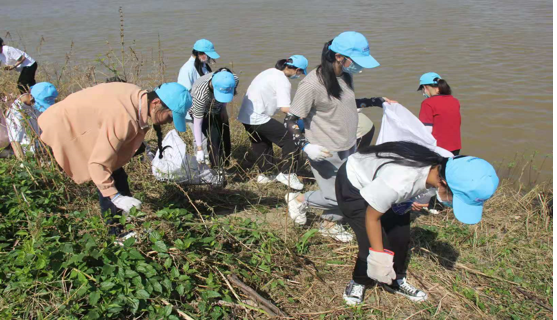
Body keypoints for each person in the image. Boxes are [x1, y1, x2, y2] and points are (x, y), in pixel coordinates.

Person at [336, 141, 498, 304]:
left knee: (400, 237)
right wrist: (378, 258)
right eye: (456, 199)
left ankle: (394, 281)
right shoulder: (400, 182)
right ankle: (359, 281)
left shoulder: (446, 165)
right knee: (373, 244)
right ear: (444, 183)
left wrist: (414, 200)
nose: (452, 204)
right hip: (353, 183)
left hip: (385, 183)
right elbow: (372, 217)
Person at [38, 82, 192, 237]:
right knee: (109, 179)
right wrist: (116, 197)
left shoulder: (137, 96)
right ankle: (116, 235)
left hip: (76, 119)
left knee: (118, 176)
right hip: (62, 126)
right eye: (170, 116)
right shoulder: (124, 119)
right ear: (156, 103)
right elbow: (98, 164)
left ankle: (126, 224)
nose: (169, 122)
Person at [283, 31, 395, 242]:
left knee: (350, 188)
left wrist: (376, 101)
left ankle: (329, 224)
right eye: (356, 60)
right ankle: (299, 199)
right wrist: (306, 146)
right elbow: (290, 119)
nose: (359, 66)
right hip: (324, 149)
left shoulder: (345, 75)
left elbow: (343, 104)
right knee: (339, 196)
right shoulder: (311, 84)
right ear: (339, 56)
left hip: (348, 145)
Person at [237, 55, 309, 190]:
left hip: (246, 116)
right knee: (291, 140)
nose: (299, 75)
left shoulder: (269, 72)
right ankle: (288, 174)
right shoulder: (283, 81)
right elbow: (285, 108)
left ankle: (266, 174)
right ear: (297, 69)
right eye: (300, 72)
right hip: (258, 117)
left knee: (261, 144)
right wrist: (306, 116)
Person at [177, 39, 220, 163]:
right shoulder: (187, 69)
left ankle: (209, 163)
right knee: (201, 140)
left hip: (205, 109)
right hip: (192, 112)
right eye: (207, 55)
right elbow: (184, 94)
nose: (209, 59)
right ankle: (203, 164)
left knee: (210, 138)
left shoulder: (203, 65)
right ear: (199, 53)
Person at [190, 68, 239, 168]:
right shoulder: (200, 94)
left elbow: (227, 92)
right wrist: (199, 149)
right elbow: (197, 123)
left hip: (218, 107)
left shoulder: (233, 80)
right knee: (214, 139)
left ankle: (226, 162)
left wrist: (223, 108)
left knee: (225, 135)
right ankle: (217, 169)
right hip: (202, 111)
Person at [5, 82, 58, 157]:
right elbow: (15, 142)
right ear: (31, 97)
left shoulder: (34, 104)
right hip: (30, 154)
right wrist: (24, 164)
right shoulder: (16, 112)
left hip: (45, 149)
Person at [418, 72, 461, 155]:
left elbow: (427, 130)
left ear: (425, 87)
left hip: (438, 149)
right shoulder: (455, 101)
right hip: (456, 147)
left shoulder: (427, 103)